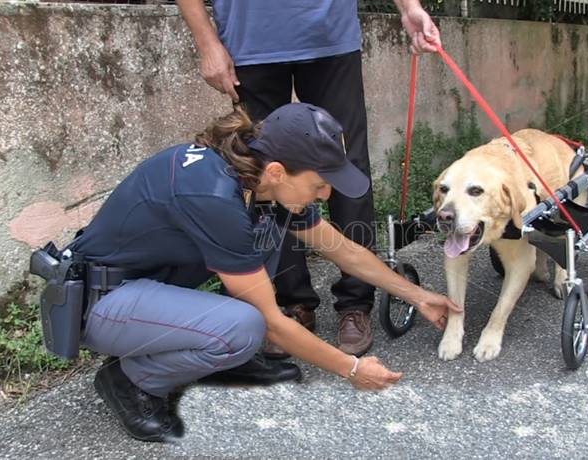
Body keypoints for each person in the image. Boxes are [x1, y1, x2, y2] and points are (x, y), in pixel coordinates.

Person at [62, 103, 460, 442]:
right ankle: (130, 379)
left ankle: (220, 355)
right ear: (276, 171)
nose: (326, 195)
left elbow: (344, 250)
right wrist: (352, 369)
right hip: (105, 303)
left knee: (266, 240)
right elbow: (271, 323)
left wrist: (418, 295)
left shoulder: (261, 182)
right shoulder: (213, 195)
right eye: (320, 184)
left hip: (151, 290)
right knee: (246, 325)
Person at [176, 0, 442, 358]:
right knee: (267, 176)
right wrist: (207, 41)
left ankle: (355, 303)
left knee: (346, 167)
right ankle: (293, 302)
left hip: (330, 35)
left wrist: (409, 7)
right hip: (249, 40)